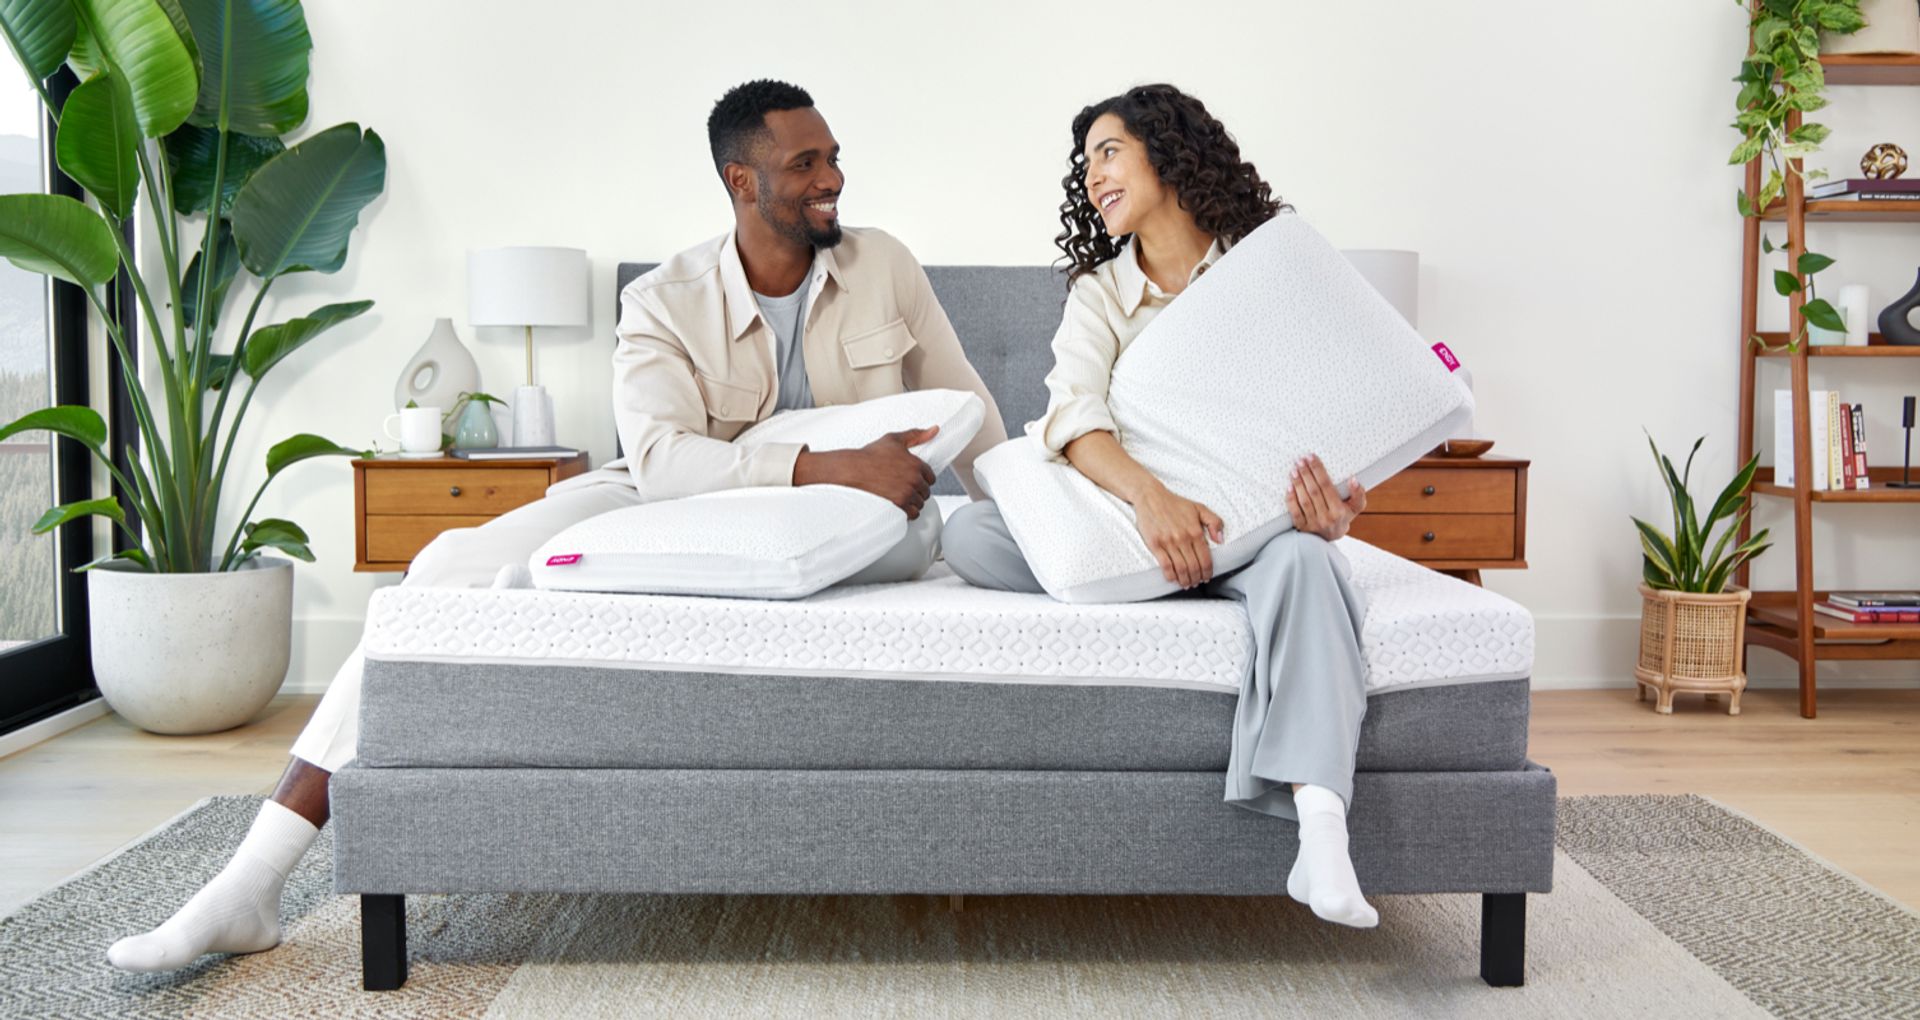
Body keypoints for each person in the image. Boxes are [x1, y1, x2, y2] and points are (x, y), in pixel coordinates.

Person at [106, 79, 1008, 972]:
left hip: (855, 515)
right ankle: (253, 882)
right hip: (672, 499)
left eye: (834, 158)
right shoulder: (662, 300)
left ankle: (252, 879)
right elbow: (662, 461)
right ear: (741, 181)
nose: (832, 179)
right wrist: (821, 461)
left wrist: (1015, 517)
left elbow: (970, 404)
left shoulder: (884, 264)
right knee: (444, 566)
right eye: (804, 163)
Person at [942, 84, 1378, 928]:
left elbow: (1322, 415)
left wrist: (1334, 509)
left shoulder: (1265, 273)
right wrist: (1152, 503)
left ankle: (1323, 833)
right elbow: (1075, 418)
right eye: (1086, 162)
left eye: (1109, 151)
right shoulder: (1100, 295)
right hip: (1128, 519)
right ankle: (1178, 567)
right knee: (971, 534)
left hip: (1250, 528)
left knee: (1314, 562)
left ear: (1169, 154)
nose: (1093, 173)